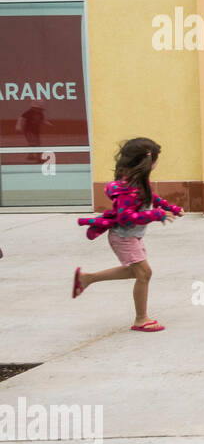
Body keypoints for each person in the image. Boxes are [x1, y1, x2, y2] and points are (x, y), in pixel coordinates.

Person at [72, 137, 184, 331]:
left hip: (131, 236)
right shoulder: (127, 189)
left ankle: (87, 278)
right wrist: (156, 214)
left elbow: (151, 198)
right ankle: (141, 319)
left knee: (135, 271)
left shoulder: (137, 181)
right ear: (149, 161)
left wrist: (169, 207)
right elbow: (126, 217)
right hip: (124, 237)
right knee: (144, 274)